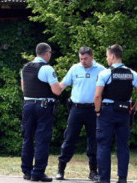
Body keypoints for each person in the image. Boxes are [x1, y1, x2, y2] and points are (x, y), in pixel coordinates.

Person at [55, 47, 104, 181]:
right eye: (81, 58)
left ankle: (93, 171)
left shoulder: (101, 70)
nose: (83, 61)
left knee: (93, 140)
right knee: (69, 138)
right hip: (76, 109)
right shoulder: (75, 68)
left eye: (86, 58)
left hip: (93, 110)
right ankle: (61, 169)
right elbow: (62, 86)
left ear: (92, 57)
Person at [94, 44, 137, 183]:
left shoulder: (105, 73)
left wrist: (98, 111)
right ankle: (122, 178)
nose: (107, 59)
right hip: (125, 111)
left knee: (104, 145)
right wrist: (135, 107)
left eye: (107, 56)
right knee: (123, 145)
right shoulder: (132, 73)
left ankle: (104, 178)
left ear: (112, 56)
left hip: (107, 111)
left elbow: (97, 96)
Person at [21, 42, 63, 182]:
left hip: (28, 106)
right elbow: (56, 90)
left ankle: (27, 171)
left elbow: (23, 88)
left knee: (27, 139)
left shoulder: (25, 67)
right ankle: (38, 173)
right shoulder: (46, 68)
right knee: (41, 140)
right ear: (47, 53)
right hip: (43, 107)